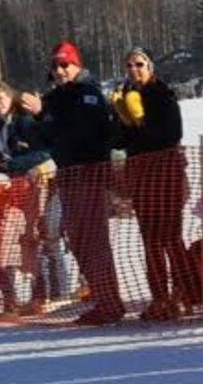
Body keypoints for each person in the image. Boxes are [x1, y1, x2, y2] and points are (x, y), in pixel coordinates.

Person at [40, 41, 125, 326]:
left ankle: (109, 301)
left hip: (88, 172)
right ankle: (101, 295)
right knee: (77, 239)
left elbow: (79, 133)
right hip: (68, 173)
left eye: (65, 65)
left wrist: (44, 115)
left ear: (76, 65)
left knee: (92, 239)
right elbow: (45, 134)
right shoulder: (57, 96)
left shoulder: (87, 93)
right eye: (55, 66)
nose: (60, 71)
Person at [112, 48, 189, 321]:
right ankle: (160, 297)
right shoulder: (124, 94)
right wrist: (122, 118)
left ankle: (184, 292)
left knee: (170, 236)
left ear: (150, 66)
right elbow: (119, 141)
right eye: (129, 65)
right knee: (150, 239)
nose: (134, 70)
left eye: (140, 64)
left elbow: (172, 134)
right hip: (141, 174)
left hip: (165, 172)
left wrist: (141, 121)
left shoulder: (162, 94)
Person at [0, 81, 52, 316]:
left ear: (10, 99)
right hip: (6, 186)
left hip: (32, 181)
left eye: (1, 98)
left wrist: (15, 164)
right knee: (4, 239)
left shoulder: (24, 122)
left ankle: (39, 295)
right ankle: (11, 300)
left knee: (33, 237)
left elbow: (43, 151)